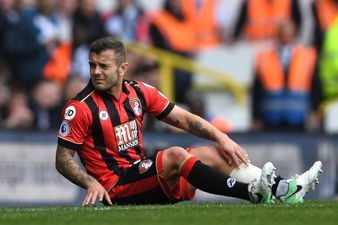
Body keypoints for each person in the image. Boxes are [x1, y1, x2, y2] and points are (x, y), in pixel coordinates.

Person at [55, 37, 323, 206]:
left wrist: (222, 137)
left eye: (104, 66)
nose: (96, 72)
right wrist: (91, 183)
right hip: (116, 187)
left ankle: (284, 189)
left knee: (217, 153)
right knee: (174, 155)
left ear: (123, 68)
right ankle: (252, 192)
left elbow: (184, 119)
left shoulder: (138, 91)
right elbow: (63, 159)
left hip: (142, 173)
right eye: (92, 66)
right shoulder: (81, 107)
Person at [252, 20, 322, 132]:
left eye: (289, 35)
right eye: (282, 35)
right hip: (271, 118)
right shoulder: (264, 58)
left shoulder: (307, 56)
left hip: (297, 117)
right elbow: (256, 91)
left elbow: (315, 86)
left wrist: (315, 110)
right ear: (278, 36)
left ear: (294, 35)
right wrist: (256, 116)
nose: (285, 38)